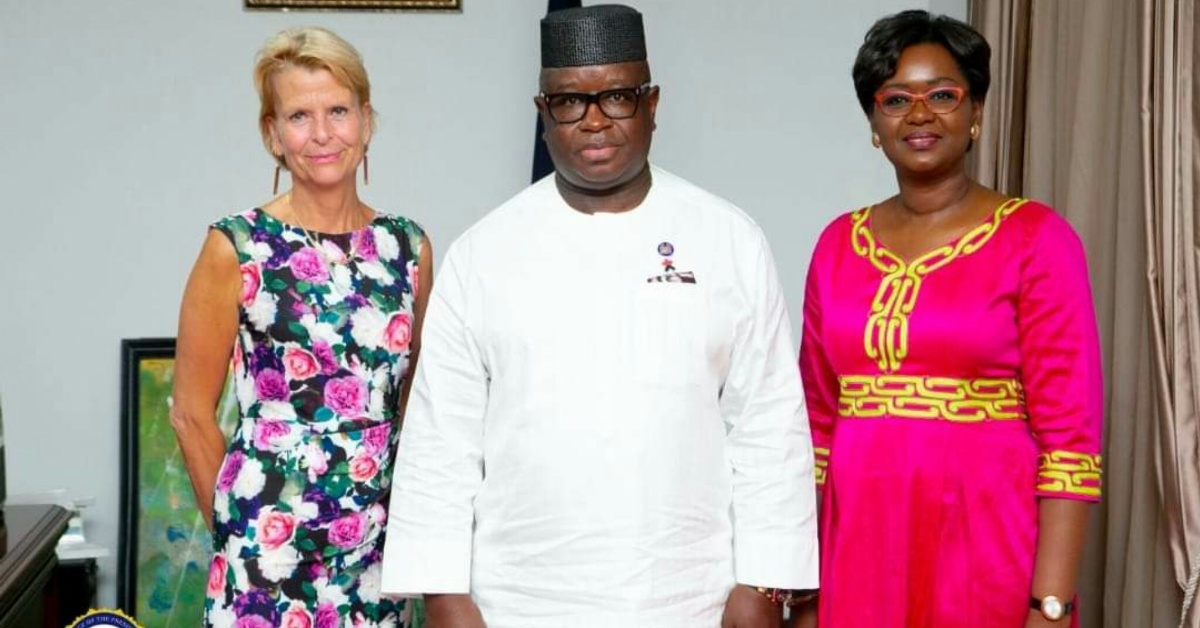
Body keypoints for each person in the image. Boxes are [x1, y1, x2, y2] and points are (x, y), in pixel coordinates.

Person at [379, 5, 818, 628]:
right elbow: (440, 439)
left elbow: (767, 423)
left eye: (617, 97)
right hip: (518, 601)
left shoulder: (728, 239)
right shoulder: (485, 253)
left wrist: (765, 584)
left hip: (691, 596)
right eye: (568, 102)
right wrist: (444, 595)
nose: (594, 120)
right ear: (543, 113)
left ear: (652, 104)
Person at [795, 10, 1102, 627]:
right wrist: (804, 591)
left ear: (976, 111)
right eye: (896, 99)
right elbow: (814, 429)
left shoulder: (1037, 239)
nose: (920, 115)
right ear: (874, 123)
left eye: (942, 95)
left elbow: (1070, 439)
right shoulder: (837, 245)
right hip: (858, 552)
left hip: (987, 547)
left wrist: (1050, 604)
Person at [170, 26, 432, 627]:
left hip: (376, 551)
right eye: (298, 116)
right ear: (273, 134)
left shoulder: (408, 247)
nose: (321, 134)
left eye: (338, 111)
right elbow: (189, 414)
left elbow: (416, 409)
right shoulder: (235, 246)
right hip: (265, 549)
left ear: (366, 120)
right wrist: (238, 532)